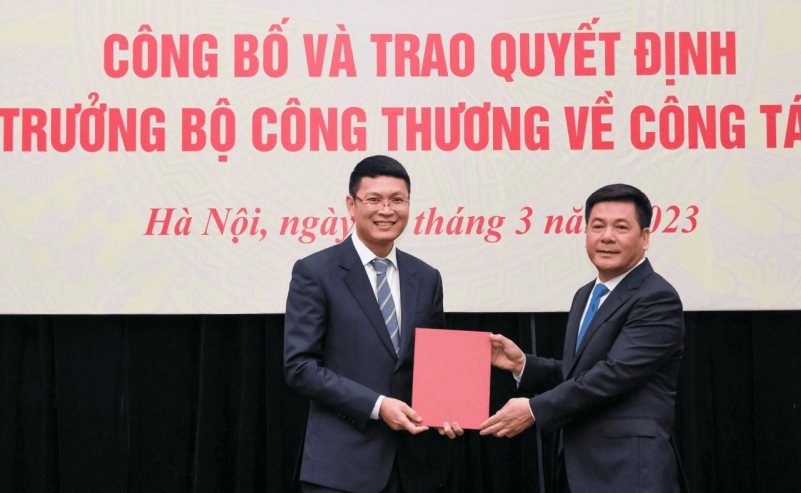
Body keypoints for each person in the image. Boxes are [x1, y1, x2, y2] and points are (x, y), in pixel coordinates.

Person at [480, 184, 685, 493]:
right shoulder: (585, 295)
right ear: (586, 232)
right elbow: (580, 374)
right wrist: (523, 365)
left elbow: (614, 375)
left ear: (645, 238)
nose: (607, 237)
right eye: (597, 226)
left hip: (628, 471)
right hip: (578, 470)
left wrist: (535, 409)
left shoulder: (656, 297)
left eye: (621, 227)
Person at [284, 155, 463, 493]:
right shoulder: (315, 272)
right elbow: (300, 368)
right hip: (342, 468)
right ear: (351, 205)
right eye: (374, 199)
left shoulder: (426, 277)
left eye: (397, 200)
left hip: (415, 467)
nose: (386, 210)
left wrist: (448, 410)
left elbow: (435, 365)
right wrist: (378, 406)